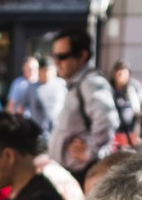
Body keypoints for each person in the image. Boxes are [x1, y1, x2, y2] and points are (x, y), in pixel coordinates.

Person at [48, 30, 116, 176]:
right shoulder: (76, 83)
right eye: (54, 57)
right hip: (68, 172)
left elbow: (107, 119)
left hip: (81, 173)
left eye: (62, 56)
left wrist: (91, 149)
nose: (57, 63)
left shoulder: (91, 82)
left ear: (82, 56)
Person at [110, 60, 142, 145]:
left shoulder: (134, 86)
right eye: (119, 73)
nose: (121, 76)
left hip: (131, 130)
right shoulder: (109, 87)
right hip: (113, 131)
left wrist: (139, 108)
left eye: (124, 73)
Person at [36, 58, 68, 139]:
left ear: (54, 71)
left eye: (49, 70)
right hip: (39, 133)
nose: (47, 73)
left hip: (59, 131)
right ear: (39, 71)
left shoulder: (62, 85)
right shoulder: (31, 87)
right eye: (44, 70)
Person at [6, 56, 43, 123]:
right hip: (22, 123)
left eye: (34, 68)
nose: (31, 70)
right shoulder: (18, 83)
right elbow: (11, 106)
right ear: (24, 68)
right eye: (29, 68)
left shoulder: (42, 84)